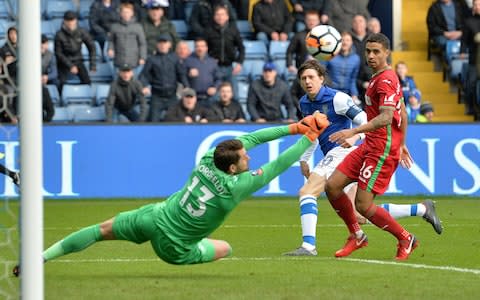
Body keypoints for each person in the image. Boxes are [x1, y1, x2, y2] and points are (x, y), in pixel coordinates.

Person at [13, 113, 329, 277]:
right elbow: (278, 164)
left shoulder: (209, 158)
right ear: (233, 169)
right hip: (174, 247)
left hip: (154, 217)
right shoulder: (237, 187)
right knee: (226, 248)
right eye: (244, 158)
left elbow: (253, 138)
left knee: (100, 230)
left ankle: (38, 259)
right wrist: (309, 136)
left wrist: (293, 128)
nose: (248, 157)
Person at [283, 60, 442, 256]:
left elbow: (366, 121)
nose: (307, 81)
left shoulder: (338, 98)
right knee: (360, 213)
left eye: (311, 77)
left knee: (307, 191)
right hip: (334, 154)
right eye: (303, 78)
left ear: (322, 79)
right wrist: (305, 159)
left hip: (343, 152)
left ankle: (308, 246)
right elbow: (312, 132)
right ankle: (421, 209)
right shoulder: (304, 103)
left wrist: (355, 136)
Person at [325, 33, 420, 261]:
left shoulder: (386, 80)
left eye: (376, 51)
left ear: (387, 53)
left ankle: (405, 238)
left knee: (363, 205)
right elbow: (403, 110)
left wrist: (354, 131)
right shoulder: (383, 77)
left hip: (382, 150)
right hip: (371, 145)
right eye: (368, 51)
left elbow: (387, 117)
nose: (371, 56)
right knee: (333, 186)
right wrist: (403, 142)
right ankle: (356, 236)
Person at [139, 34, 189, 122]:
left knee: (176, 121)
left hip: (172, 97)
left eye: (165, 43)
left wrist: (186, 86)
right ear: (157, 45)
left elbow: (181, 74)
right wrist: (144, 86)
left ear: (169, 45)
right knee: (153, 121)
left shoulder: (175, 58)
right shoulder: (151, 59)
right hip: (157, 97)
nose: (162, 45)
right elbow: (144, 75)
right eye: (160, 43)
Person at [55, 10, 96, 90]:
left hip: (78, 60)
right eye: (68, 21)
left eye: (72, 20)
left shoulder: (81, 31)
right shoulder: (59, 35)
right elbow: (58, 53)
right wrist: (70, 65)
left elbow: (92, 46)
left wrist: (92, 64)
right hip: (64, 63)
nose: (71, 23)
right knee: (61, 84)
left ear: (76, 21)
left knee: (87, 82)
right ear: (64, 21)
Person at [204, 4, 244, 83]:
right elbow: (202, 48)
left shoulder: (233, 30)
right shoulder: (208, 31)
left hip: (230, 67)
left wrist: (239, 63)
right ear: (214, 17)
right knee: (215, 94)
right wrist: (209, 60)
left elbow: (241, 48)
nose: (220, 17)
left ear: (227, 17)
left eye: (222, 14)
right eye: (218, 15)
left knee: (234, 94)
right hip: (214, 68)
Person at [108, 2, 147, 74]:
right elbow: (111, 41)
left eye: (128, 12)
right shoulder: (114, 27)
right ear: (120, 13)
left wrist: (142, 57)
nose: (126, 14)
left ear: (132, 13)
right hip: (119, 60)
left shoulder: (138, 27)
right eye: (124, 12)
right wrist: (110, 49)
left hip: (134, 61)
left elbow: (142, 43)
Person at [184, 38, 223, 106]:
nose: (200, 48)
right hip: (194, 98)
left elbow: (218, 78)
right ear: (194, 48)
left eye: (202, 46)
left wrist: (214, 88)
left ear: (206, 48)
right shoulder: (187, 61)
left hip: (210, 98)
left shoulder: (212, 62)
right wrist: (189, 74)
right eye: (197, 46)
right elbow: (181, 77)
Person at [324, 31, 360, 102]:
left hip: (347, 94)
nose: (345, 43)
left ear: (351, 42)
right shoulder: (330, 55)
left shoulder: (356, 59)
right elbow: (323, 73)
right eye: (342, 40)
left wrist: (354, 94)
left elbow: (353, 79)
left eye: (347, 40)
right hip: (331, 92)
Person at [460, 0, 480, 115]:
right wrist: (462, 51)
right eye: (475, 4)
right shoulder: (469, 22)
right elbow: (464, 40)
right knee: (471, 83)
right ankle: (470, 107)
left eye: (479, 4)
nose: (477, 6)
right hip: (474, 60)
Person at [286, 10, 320, 75]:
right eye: (309, 20)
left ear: (318, 21)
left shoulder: (324, 37)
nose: (311, 22)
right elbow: (289, 52)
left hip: (319, 71)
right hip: (302, 71)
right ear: (305, 20)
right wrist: (290, 65)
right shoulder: (298, 35)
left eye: (314, 20)